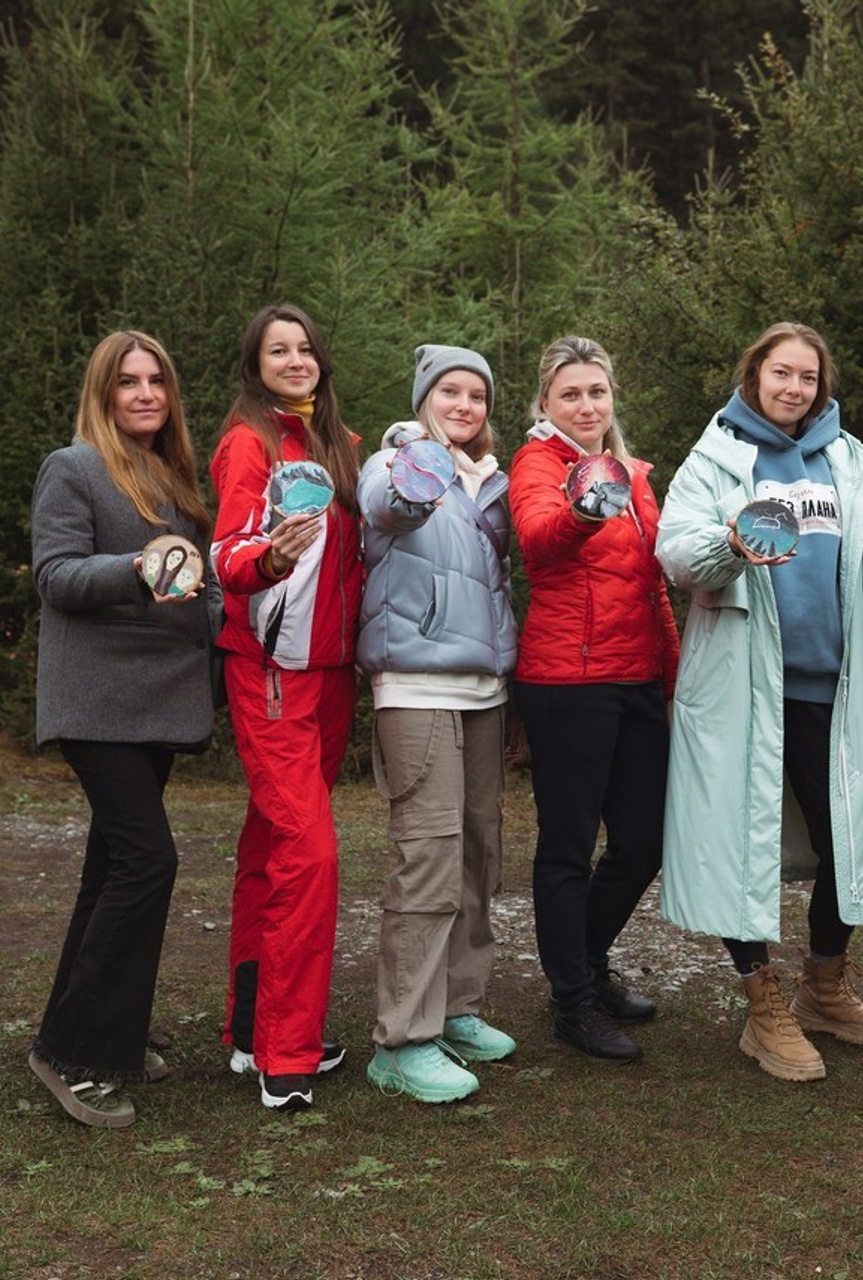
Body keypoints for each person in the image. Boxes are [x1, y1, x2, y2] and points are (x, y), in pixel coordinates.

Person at [657, 321, 863, 1083]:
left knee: (847, 844)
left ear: (820, 386)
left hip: (832, 688)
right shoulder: (716, 457)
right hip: (740, 686)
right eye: (781, 373)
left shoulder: (853, 463)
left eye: (808, 377)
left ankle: (824, 984)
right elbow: (674, 553)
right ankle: (762, 1004)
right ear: (754, 375)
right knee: (739, 843)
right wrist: (731, 545)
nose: (795, 388)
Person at [28, 330, 215, 1128]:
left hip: (159, 699)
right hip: (96, 702)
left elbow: (197, 587)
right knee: (149, 861)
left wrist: (234, 601)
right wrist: (137, 569)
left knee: (110, 872)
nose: (144, 394)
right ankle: (71, 1051)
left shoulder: (174, 477)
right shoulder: (72, 468)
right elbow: (56, 576)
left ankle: (112, 1034)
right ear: (102, 393)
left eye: (157, 382)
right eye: (127, 382)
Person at [510, 335, 680, 1063]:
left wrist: (673, 673)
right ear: (546, 403)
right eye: (571, 394)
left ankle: (580, 961)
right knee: (569, 848)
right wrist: (584, 511)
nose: (587, 405)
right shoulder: (538, 464)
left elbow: (654, 584)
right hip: (567, 682)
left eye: (597, 392)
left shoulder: (636, 474)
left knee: (644, 842)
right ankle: (574, 1000)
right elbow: (539, 539)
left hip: (638, 677)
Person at [358, 344, 519, 1104]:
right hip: (415, 684)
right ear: (425, 397)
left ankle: (456, 1008)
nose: (464, 405)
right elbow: (387, 510)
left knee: (479, 851)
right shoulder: (396, 462)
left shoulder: (492, 485)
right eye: (449, 391)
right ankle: (401, 1040)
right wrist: (420, 471)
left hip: (483, 689)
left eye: (477, 395)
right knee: (428, 855)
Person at [210, 303, 362, 1111]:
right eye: (279, 350)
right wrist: (267, 558)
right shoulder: (250, 444)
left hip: (333, 674)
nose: (295, 359)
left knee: (273, 845)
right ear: (256, 363)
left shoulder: (340, 445)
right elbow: (227, 552)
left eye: (305, 348)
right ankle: (287, 1056)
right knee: (312, 855)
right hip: (272, 670)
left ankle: (248, 1029)